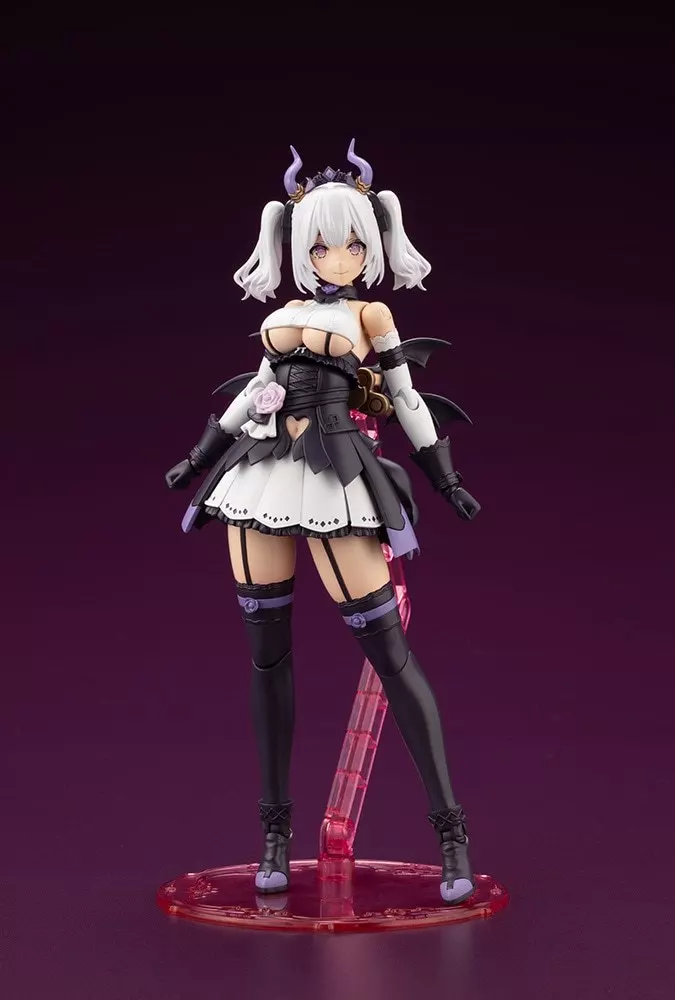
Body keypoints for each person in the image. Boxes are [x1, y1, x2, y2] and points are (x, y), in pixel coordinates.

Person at [165, 141, 481, 905]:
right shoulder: (280, 316)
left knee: (389, 654)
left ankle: (451, 836)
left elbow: (404, 399)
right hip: (260, 475)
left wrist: (444, 477)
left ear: (371, 245)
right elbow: (252, 396)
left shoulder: (372, 313)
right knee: (266, 658)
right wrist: (197, 459)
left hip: (338, 478)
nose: (336, 258)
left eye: (350, 245)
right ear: (296, 247)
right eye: (319, 245)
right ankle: (274, 832)